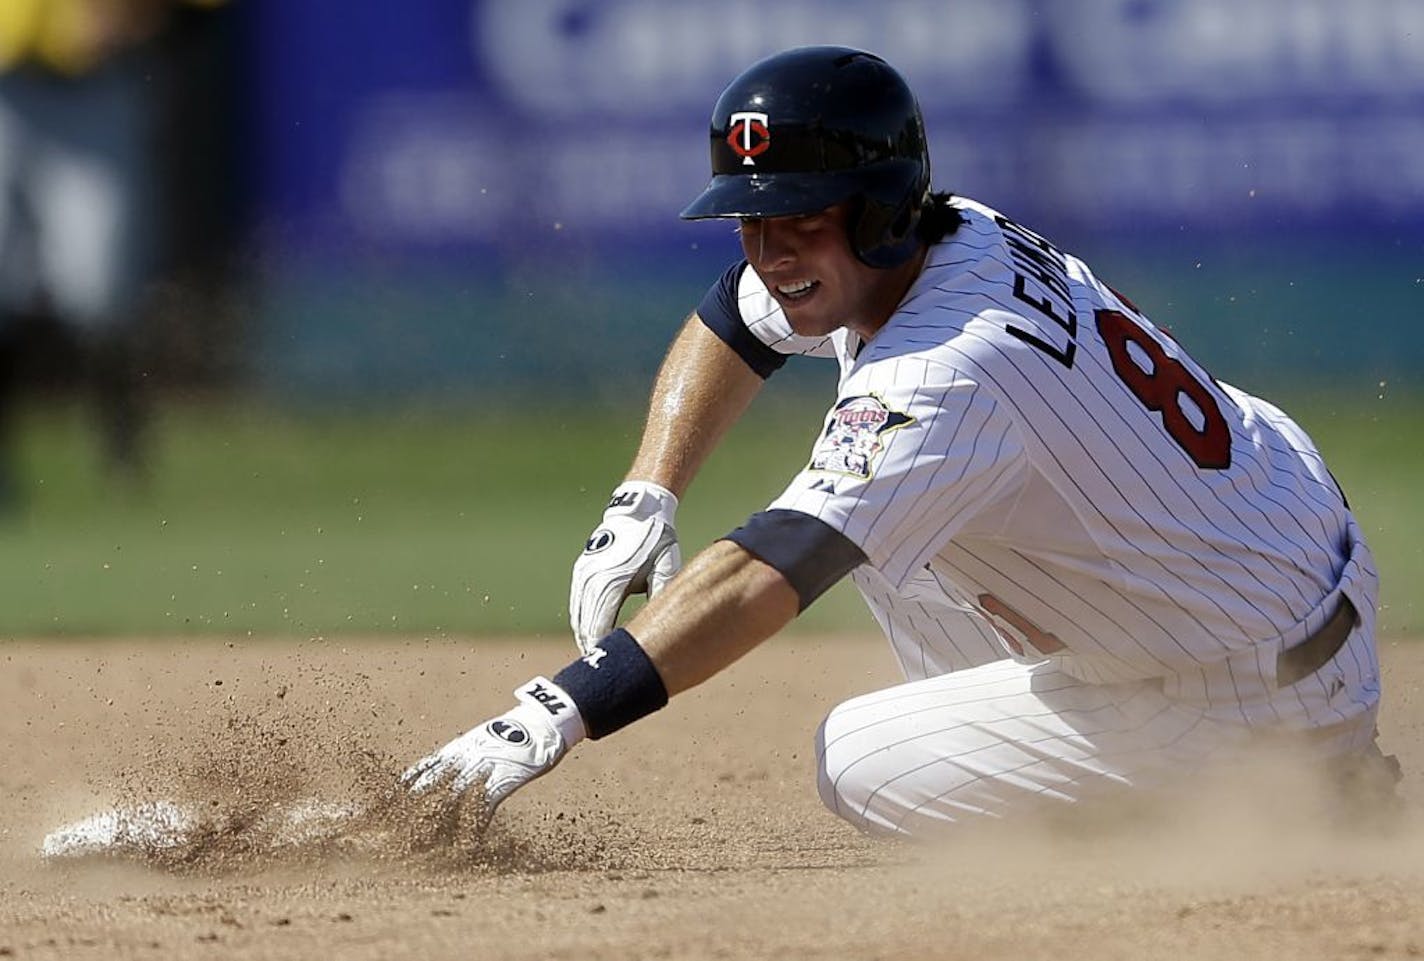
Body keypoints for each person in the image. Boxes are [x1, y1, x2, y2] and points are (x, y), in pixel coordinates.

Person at [403, 46, 1396, 837]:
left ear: (876, 207)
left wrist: (549, 714)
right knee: (889, 528)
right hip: (1277, 542)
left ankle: (1290, 791)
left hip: (1247, 680)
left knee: (862, 760)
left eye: (796, 217)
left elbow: (767, 569)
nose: (769, 248)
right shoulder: (947, 232)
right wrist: (645, 493)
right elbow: (739, 317)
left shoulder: (946, 365)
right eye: (749, 218)